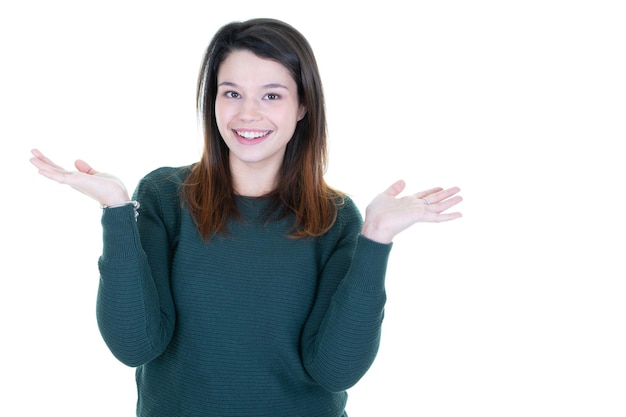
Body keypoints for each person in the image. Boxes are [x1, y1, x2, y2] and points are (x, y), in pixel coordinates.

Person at [30, 17, 462, 417]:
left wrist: (376, 239)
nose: (247, 114)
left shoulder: (336, 217)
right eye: (231, 93)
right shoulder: (163, 196)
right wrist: (117, 211)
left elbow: (335, 372)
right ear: (213, 100)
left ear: (303, 106)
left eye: (271, 95)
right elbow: (134, 346)